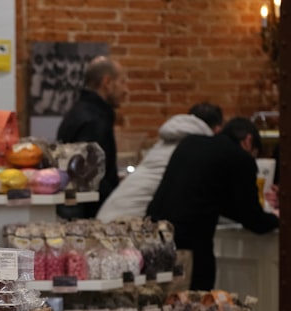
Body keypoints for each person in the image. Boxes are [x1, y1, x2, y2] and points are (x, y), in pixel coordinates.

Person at [147, 117, 279, 291]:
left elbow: (214, 200)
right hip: (188, 249)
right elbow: (253, 219)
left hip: (152, 240)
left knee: (155, 308)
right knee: (191, 310)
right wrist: (277, 219)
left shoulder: (190, 142)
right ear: (248, 141)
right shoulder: (240, 158)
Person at [96, 102, 224, 222]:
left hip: (109, 214)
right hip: (125, 226)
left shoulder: (167, 141)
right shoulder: (195, 150)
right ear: (217, 129)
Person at [55, 55, 128, 219]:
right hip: (87, 214)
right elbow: (93, 178)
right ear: (107, 82)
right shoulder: (95, 120)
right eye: (122, 82)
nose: (126, 90)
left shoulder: (79, 111)